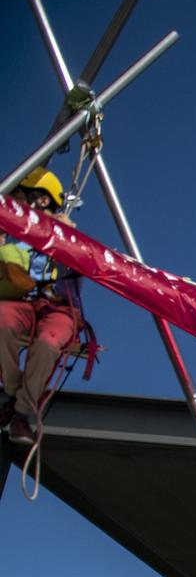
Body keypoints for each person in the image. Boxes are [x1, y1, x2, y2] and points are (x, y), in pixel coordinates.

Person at [2, 169, 87, 440]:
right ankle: (15, 392)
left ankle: (22, 410)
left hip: (59, 308)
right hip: (24, 303)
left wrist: (66, 239)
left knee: (47, 344)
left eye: (20, 200)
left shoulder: (66, 235)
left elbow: (80, 265)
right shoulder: (16, 240)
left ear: (39, 200)